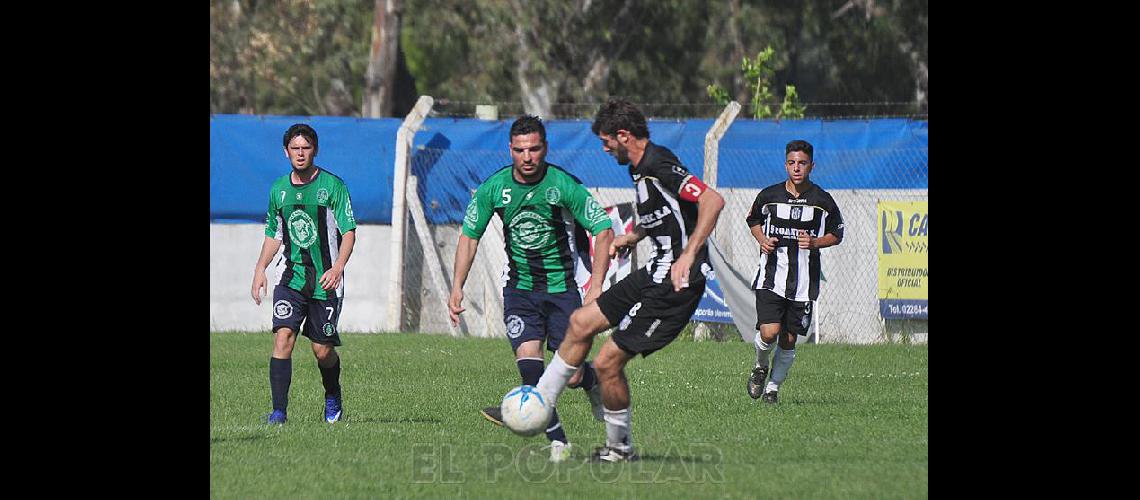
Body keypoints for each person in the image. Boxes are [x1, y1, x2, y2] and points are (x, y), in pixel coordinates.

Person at [532, 99, 726, 462]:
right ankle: (538, 404)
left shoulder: (657, 164)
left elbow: (712, 201)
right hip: (654, 269)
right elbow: (665, 211)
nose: (605, 149)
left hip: (675, 284)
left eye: (607, 142)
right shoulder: (639, 169)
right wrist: (634, 236)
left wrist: (688, 255)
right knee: (580, 322)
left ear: (623, 136)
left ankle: (620, 449)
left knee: (606, 363)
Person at [448, 115, 615, 463]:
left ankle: (593, 382)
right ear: (510, 149)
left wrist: (596, 286)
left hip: (561, 292)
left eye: (534, 149)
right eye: (520, 150)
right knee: (530, 371)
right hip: (520, 292)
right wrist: (457, 286)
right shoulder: (495, 188)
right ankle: (558, 441)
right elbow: (469, 237)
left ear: (545, 149)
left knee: (569, 377)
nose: (527, 157)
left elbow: (602, 229)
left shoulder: (562, 184)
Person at [251, 123, 357, 424]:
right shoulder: (279, 190)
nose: (300, 153)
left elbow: (348, 232)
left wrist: (338, 268)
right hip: (291, 277)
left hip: (326, 280)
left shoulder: (333, 186)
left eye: (306, 148)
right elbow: (275, 234)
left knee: (322, 351)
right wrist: (260, 269)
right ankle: (278, 412)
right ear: (286, 152)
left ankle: (332, 394)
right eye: (295, 148)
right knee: (283, 337)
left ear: (315, 150)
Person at [745, 139, 844, 404]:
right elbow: (753, 219)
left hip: (803, 284)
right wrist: (761, 239)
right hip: (770, 277)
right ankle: (759, 367)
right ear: (785, 164)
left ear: (811, 166)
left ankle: (773, 389)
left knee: (788, 339)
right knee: (769, 332)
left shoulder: (822, 200)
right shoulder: (769, 196)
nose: (796, 168)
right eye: (791, 163)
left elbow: (838, 233)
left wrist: (815, 242)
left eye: (802, 163)